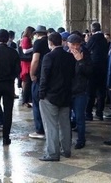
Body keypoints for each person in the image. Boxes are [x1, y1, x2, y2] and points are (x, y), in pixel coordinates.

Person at [38, 33, 76, 161]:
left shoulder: (48, 57)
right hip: (65, 95)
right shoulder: (70, 57)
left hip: (50, 96)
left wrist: (41, 94)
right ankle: (66, 150)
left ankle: (53, 153)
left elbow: (44, 77)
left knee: (51, 126)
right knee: (65, 124)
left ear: (50, 43)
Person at [67, 33, 92, 149]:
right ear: (68, 44)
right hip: (67, 91)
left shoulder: (85, 54)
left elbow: (89, 73)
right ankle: (67, 139)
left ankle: (81, 140)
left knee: (80, 117)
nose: (76, 47)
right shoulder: (64, 55)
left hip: (80, 91)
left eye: (78, 45)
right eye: (73, 45)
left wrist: (81, 61)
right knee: (66, 118)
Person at [29, 25, 51, 139]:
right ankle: (47, 128)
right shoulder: (49, 42)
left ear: (36, 34)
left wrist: (32, 74)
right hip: (49, 76)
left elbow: (35, 59)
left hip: (39, 76)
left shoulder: (38, 43)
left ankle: (39, 130)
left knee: (36, 103)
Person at [86, 22, 109, 121]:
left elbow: (86, 50)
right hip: (103, 68)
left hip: (93, 68)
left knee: (91, 92)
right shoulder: (104, 39)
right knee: (101, 92)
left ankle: (88, 113)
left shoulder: (93, 39)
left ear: (92, 30)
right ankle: (99, 113)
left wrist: (87, 41)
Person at [19, 26, 35, 107]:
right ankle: (25, 100)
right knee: (27, 82)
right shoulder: (26, 39)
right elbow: (25, 51)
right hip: (26, 64)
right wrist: (34, 47)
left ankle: (26, 100)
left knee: (26, 82)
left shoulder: (24, 39)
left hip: (25, 63)